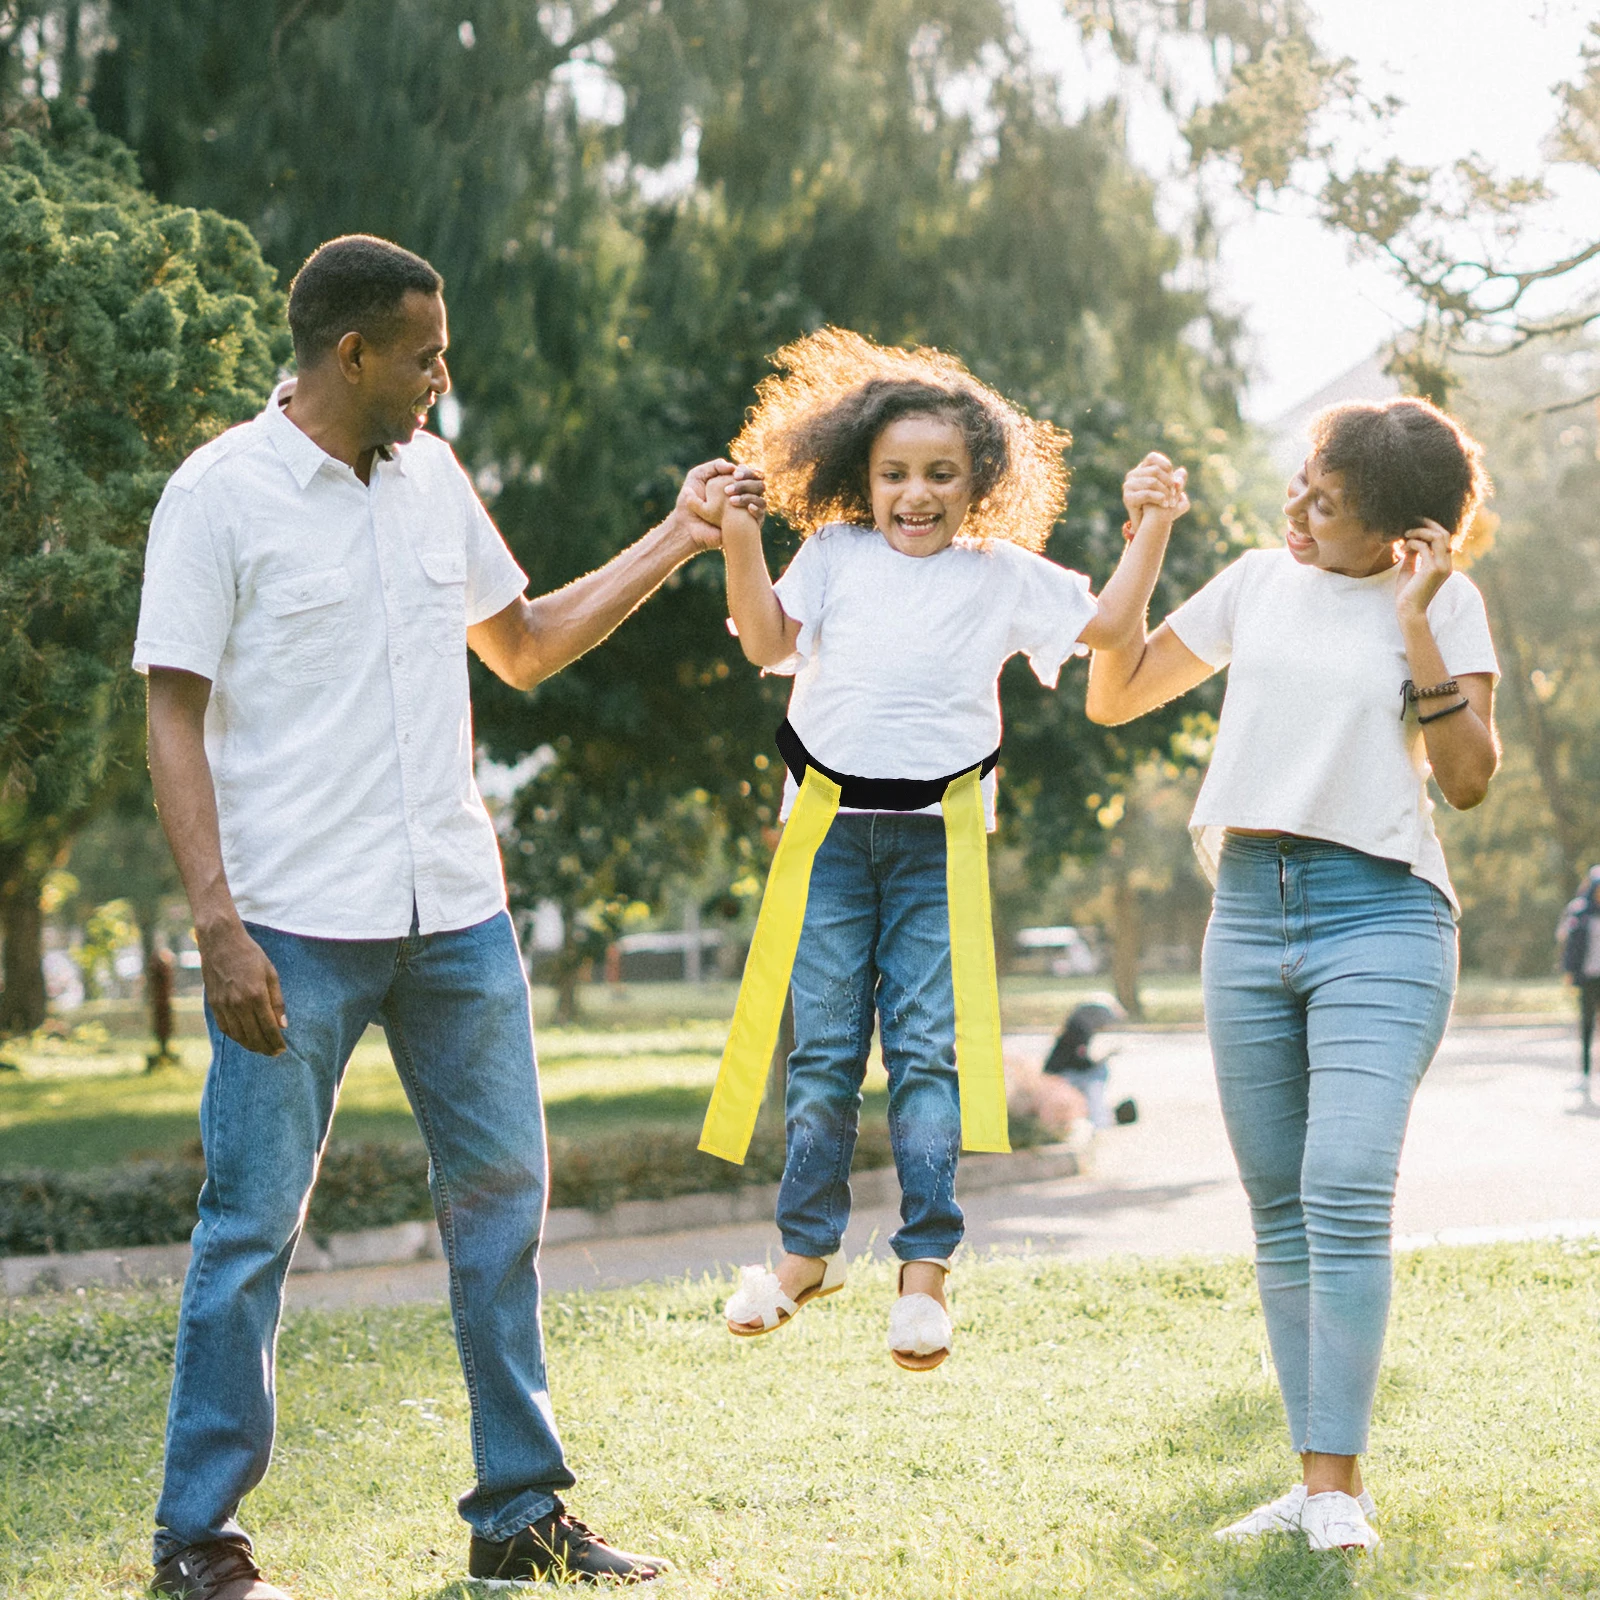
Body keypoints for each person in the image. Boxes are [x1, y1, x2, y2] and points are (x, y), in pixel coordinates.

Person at [134, 234, 763, 1600]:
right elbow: (170, 712)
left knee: (503, 1212)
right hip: (290, 922)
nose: (443, 373)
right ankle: (201, 1542)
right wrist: (215, 925)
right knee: (250, 1224)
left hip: (456, 914)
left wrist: (677, 534)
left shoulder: (430, 481)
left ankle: (520, 1515)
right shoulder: (220, 495)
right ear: (350, 352)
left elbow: (523, 642)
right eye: (425, 351)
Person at [693, 327, 1188, 1371]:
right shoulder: (833, 555)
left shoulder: (999, 574)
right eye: (894, 475)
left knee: (926, 1054)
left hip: (939, 842)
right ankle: (803, 1255)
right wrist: (741, 537)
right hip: (826, 833)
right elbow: (764, 643)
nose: (915, 495)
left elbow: (1105, 627)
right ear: (858, 478)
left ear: (980, 483)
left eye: (940, 475)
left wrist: (1148, 527)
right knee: (822, 1056)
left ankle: (924, 1277)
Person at [1086, 397, 1499, 1552]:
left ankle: (1336, 1489)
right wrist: (1149, 536)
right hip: (1247, 911)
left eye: (1331, 505)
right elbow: (1111, 694)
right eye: (1303, 486)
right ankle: (1315, 1481)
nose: (1301, 511)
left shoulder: (1445, 600)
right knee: (1280, 1211)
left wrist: (1414, 619)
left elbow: (1467, 779)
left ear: (1406, 536)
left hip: (1383, 912)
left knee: (1344, 1183)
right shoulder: (1259, 581)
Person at [1558, 865, 1600, 1084]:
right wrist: (1569, 972)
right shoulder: (1580, 911)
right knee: (1587, 1025)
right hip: (1588, 978)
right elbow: (1568, 943)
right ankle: (1585, 1074)